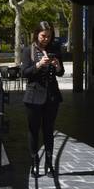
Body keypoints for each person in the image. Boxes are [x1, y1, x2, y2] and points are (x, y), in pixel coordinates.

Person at [20, 21, 65, 178]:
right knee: (33, 131)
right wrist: (38, 64)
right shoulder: (28, 51)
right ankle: (34, 164)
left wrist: (57, 65)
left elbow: (61, 73)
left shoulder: (55, 50)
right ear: (37, 34)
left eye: (49, 36)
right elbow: (24, 73)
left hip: (52, 96)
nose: (46, 39)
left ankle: (49, 165)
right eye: (43, 36)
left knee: (48, 130)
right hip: (33, 97)